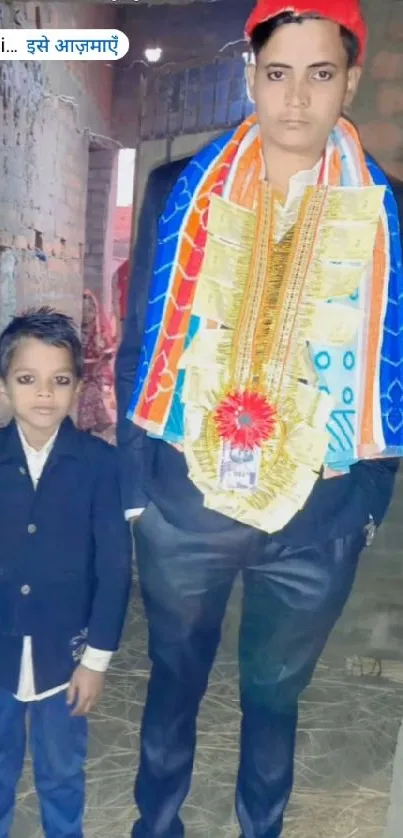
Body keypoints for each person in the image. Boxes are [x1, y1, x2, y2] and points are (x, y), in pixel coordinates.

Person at [116, 1, 403, 836]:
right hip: (184, 505)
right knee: (173, 683)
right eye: (276, 74)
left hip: (318, 516)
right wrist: (139, 492)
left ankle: (260, 827)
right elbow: (140, 336)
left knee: (274, 698)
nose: (295, 100)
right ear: (251, 77)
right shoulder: (180, 192)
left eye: (319, 75)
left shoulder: (387, 217)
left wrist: (366, 506)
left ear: (348, 79)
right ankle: (155, 824)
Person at [0, 307, 132, 838]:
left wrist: (96, 660)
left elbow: (115, 566)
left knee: (60, 772)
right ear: (5, 385)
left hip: (67, 657)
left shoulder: (100, 464)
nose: (43, 395)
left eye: (59, 381)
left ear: (79, 387)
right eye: (27, 379)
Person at [77, 289, 117, 434]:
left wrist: (98, 374)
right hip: (77, 376)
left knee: (88, 404)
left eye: (90, 310)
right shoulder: (75, 330)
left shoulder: (99, 330)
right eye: (83, 310)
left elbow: (107, 355)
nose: (86, 314)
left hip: (93, 377)